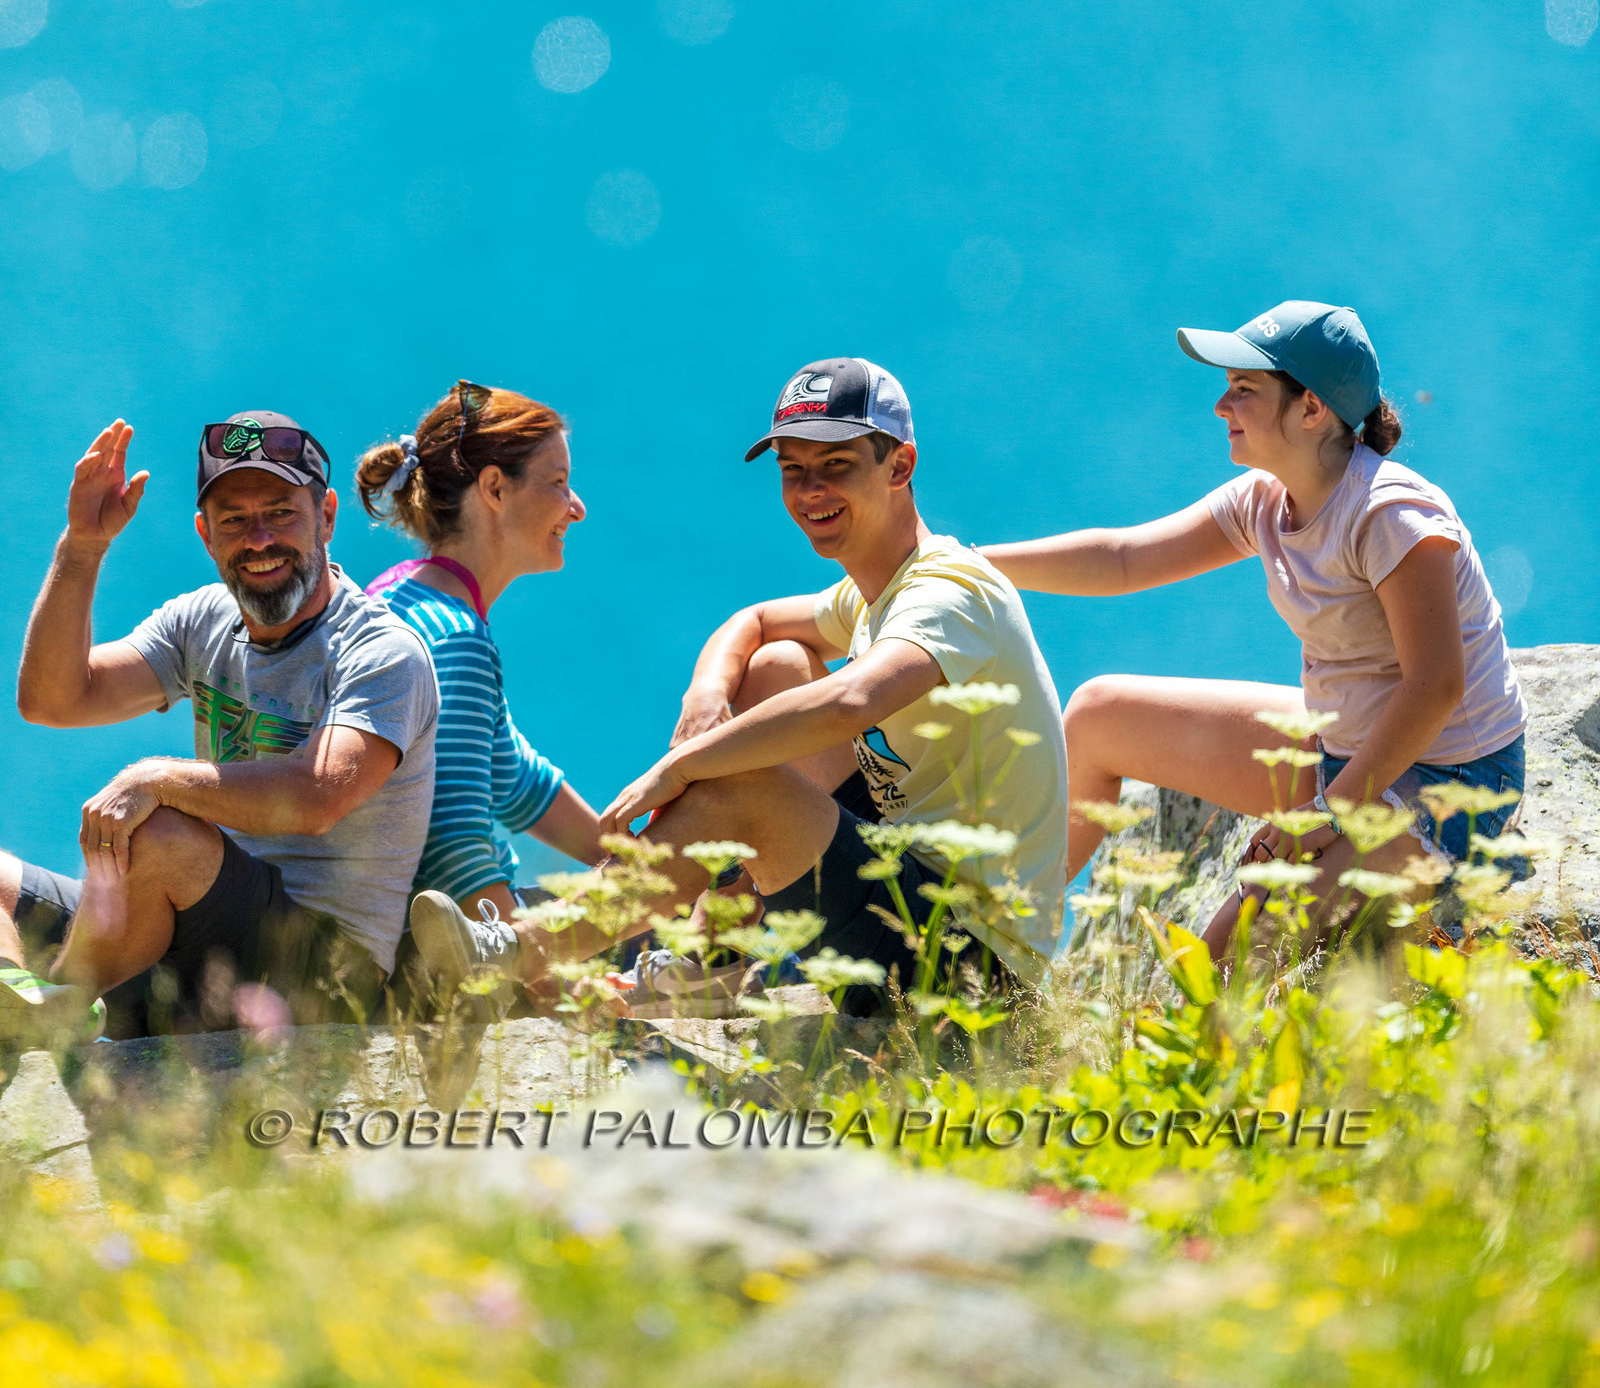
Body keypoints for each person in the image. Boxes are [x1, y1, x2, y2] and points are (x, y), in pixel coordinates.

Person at [406, 358, 1070, 1017]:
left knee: (745, 780)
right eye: (792, 468)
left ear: (899, 466)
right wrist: (705, 698)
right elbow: (752, 622)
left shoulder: (949, 589)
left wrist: (684, 766)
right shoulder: (874, 594)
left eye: (836, 463)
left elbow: (853, 701)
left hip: (973, 974)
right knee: (776, 665)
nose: (810, 489)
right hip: (904, 903)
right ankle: (710, 963)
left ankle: (516, 952)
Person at [983, 303, 1529, 960]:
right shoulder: (1266, 499)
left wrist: (1327, 814)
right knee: (1098, 715)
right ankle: (994, 943)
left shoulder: (1392, 514)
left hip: (1450, 782)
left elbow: (1436, 684)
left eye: (1244, 389)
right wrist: (967, 563)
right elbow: (1123, 558)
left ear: (1311, 408)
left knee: (1229, 956)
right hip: (1344, 747)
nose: (1221, 405)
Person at [0, 412, 438, 1042]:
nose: (259, 539)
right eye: (234, 520)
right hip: (184, 931)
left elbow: (317, 797)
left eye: (281, 513)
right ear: (207, 535)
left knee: (163, 834)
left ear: (326, 517)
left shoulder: (380, 651)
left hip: (320, 975)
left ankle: (56, 1021)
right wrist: (83, 548)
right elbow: (54, 700)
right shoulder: (202, 621)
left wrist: (156, 779)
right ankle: (21, 1001)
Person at [354, 382, 604, 982]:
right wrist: (549, 982)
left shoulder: (398, 593)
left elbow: (511, 778)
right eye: (557, 482)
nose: (576, 507)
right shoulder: (454, 638)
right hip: (427, 953)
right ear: (493, 489)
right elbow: (453, 849)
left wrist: (632, 859)